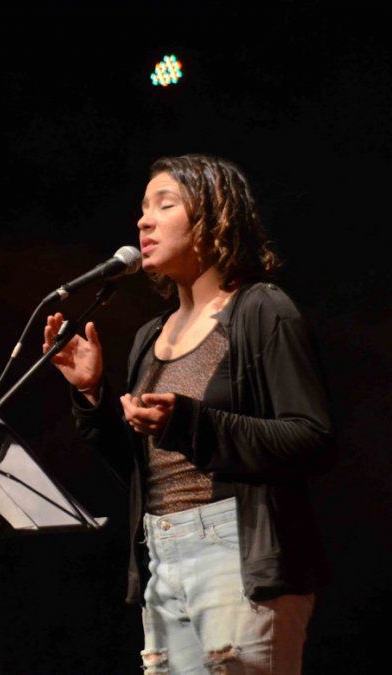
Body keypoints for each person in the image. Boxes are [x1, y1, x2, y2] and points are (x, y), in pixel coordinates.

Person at [43, 155, 334, 674]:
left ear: (214, 217)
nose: (143, 221)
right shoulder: (149, 337)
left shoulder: (262, 310)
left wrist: (189, 422)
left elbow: (311, 439)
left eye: (165, 205)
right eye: (142, 209)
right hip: (162, 553)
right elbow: (142, 471)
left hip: (238, 553)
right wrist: (92, 394)